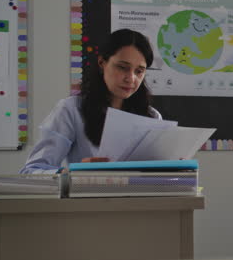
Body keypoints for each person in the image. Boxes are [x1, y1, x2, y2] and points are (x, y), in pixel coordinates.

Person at [20, 29, 160, 174]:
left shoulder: (152, 117)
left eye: (139, 71)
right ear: (102, 63)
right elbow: (31, 171)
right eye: (122, 67)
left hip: (140, 196)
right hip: (88, 195)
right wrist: (73, 173)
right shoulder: (72, 109)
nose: (131, 78)